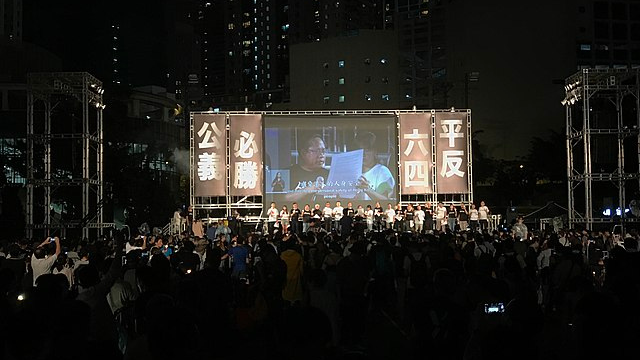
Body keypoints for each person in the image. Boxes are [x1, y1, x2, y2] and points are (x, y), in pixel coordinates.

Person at [288, 134, 330, 205]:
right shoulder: (289, 173)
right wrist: (309, 189)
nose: (321, 155)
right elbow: (281, 198)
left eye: (323, 151)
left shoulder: (329, 174)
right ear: (303, 153)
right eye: (316, 151)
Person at [354, 131, 395, 201]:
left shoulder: (382, 171)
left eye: (367, 150)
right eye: (360, 150)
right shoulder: (352, 171)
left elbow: (385, 199)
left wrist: (367, 189)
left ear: (375, 152)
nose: (363, 155)